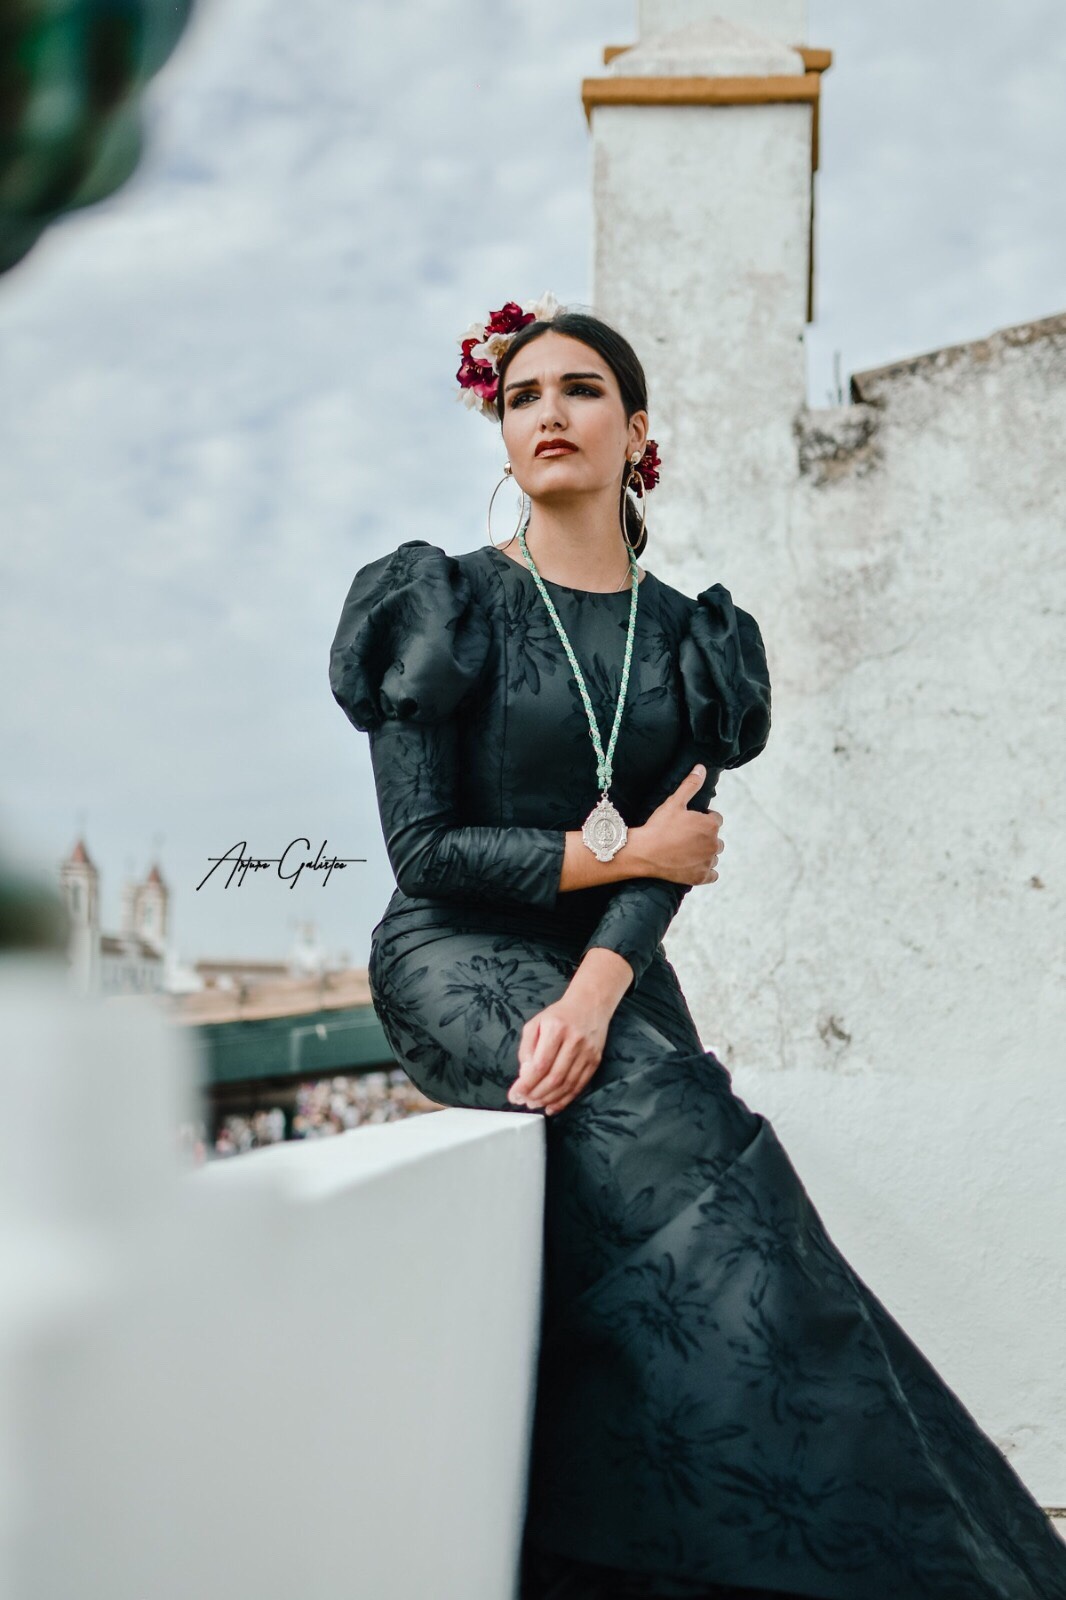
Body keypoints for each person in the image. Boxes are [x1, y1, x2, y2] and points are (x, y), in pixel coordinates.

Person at [329, 296, 1066, 1600]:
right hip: (454, 949)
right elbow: (428, 852)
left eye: (580, 389)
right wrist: (621, 857)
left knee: (702, 1142)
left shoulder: (693, 639)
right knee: (670, 1125)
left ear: (637, 430)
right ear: (502, 436)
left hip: (613, 964)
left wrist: (600, 980)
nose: (548, 412)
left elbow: (672, 861)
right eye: (521, 396)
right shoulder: (441, 603)